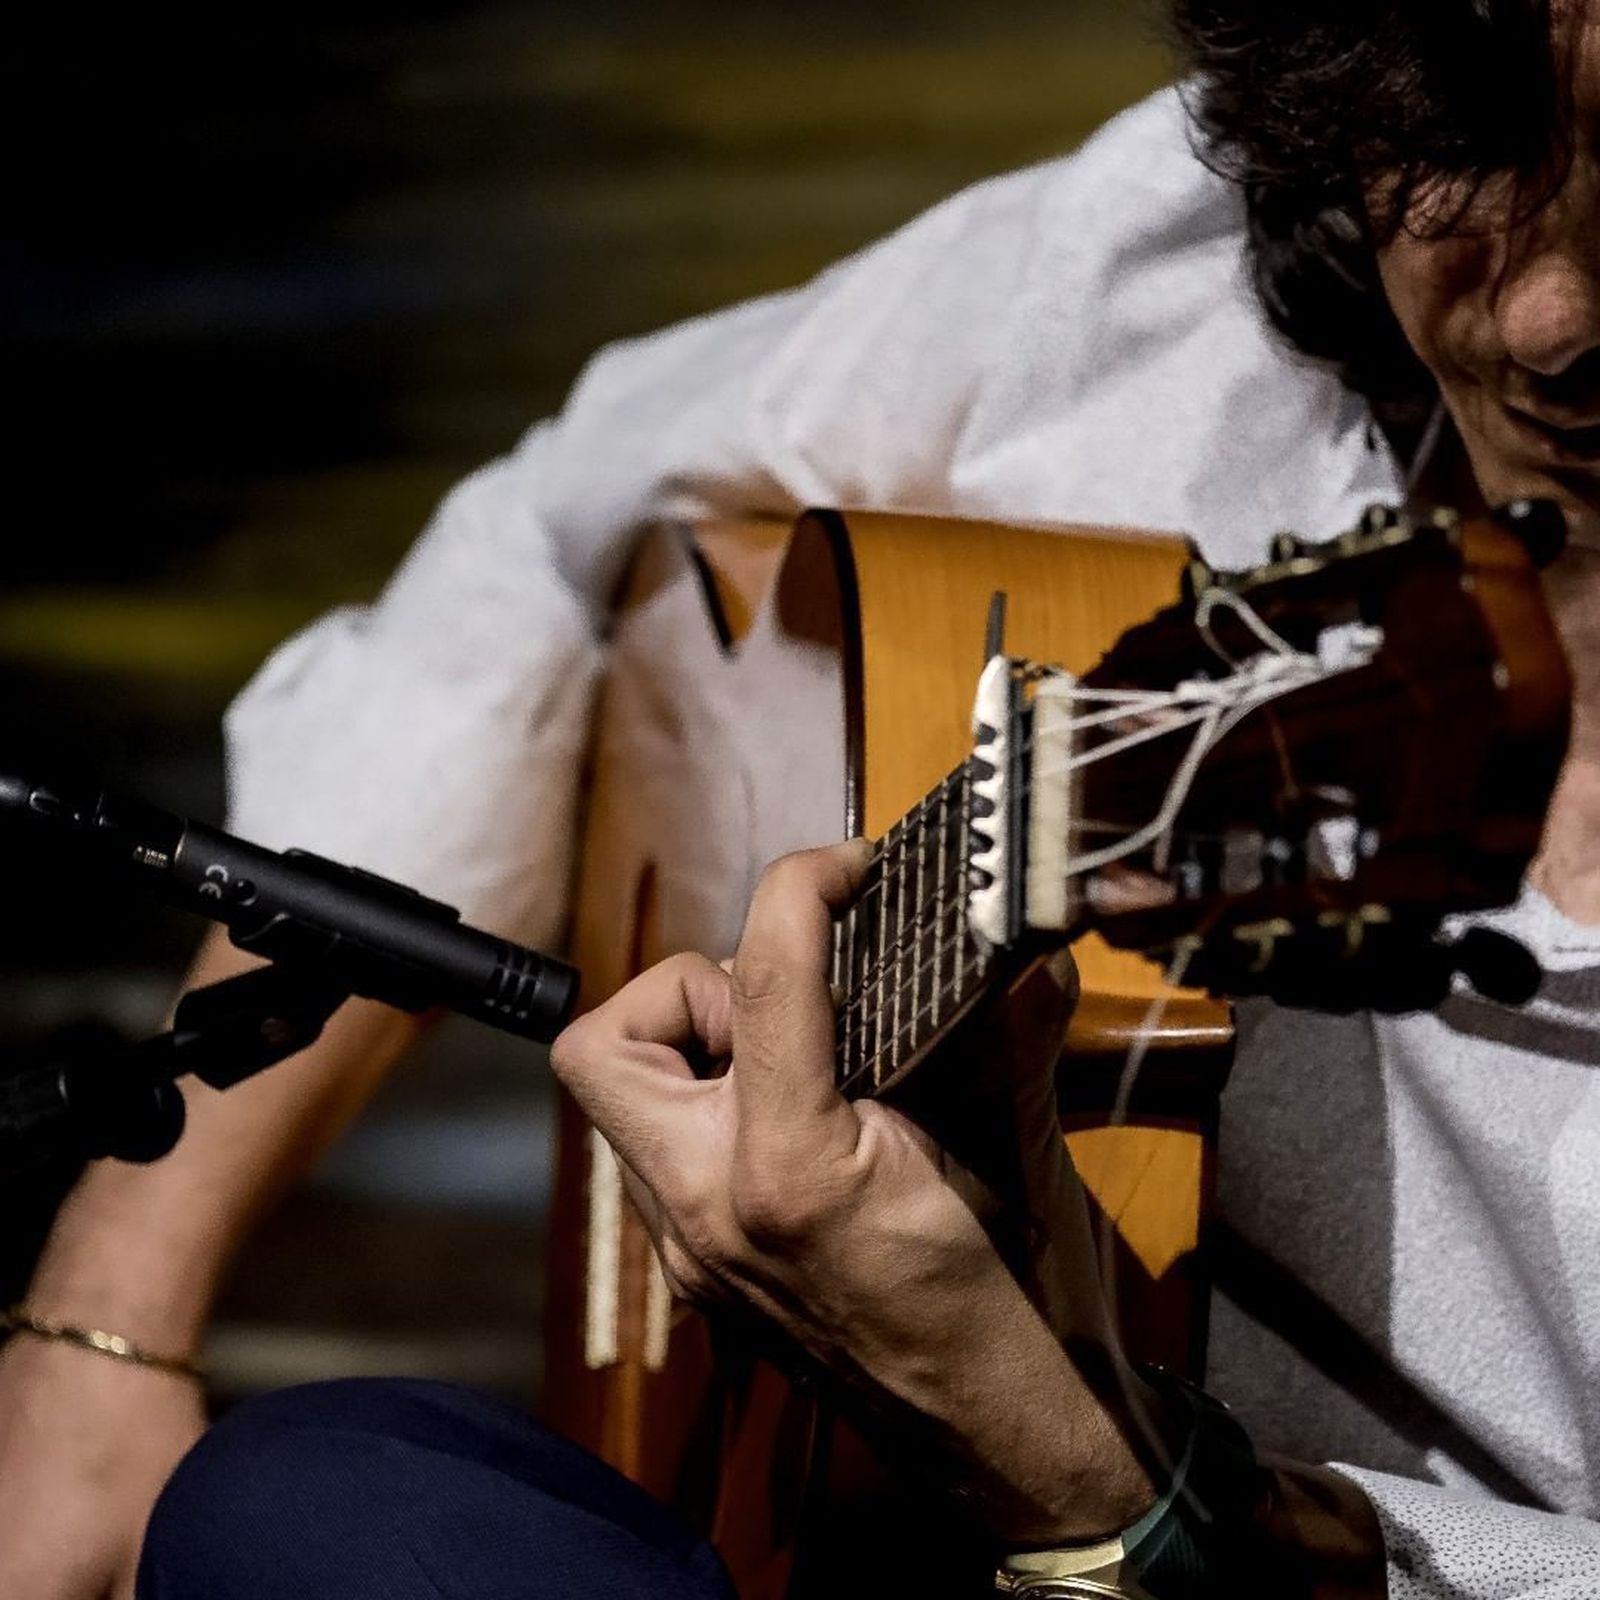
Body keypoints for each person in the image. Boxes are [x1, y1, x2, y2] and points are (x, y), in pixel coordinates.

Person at [3, 1, 1599, 1596]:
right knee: (306, 1509)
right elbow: (550, 529)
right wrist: (112, 1321)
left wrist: (1075, 1472)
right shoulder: (1183, 293)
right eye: (1475, 142)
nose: (1547, 316)